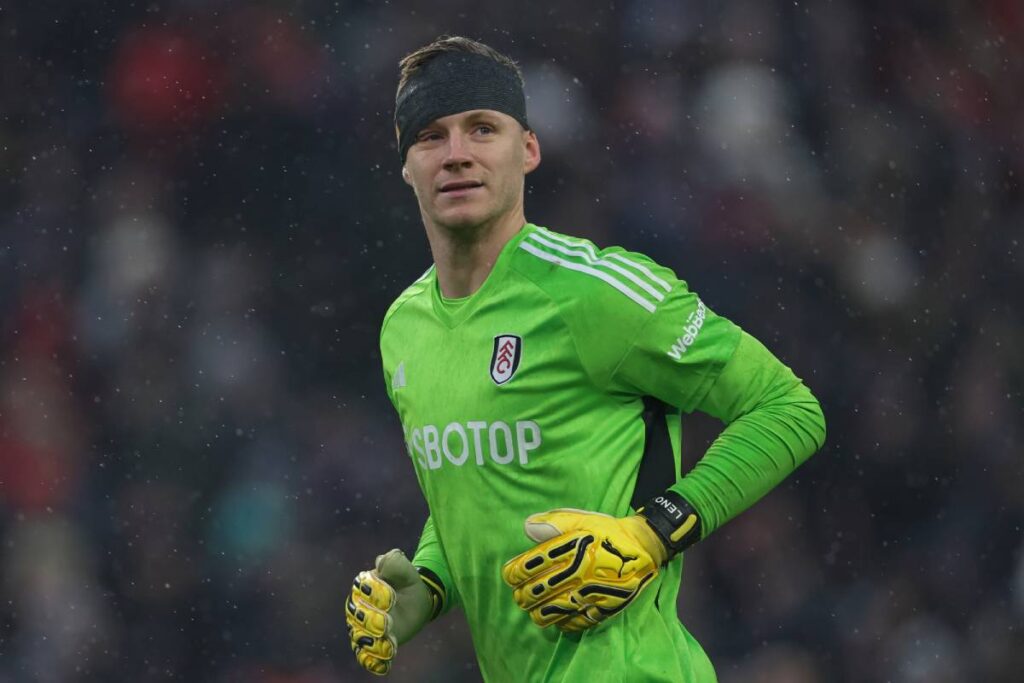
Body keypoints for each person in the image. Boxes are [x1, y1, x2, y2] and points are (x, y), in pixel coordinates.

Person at [345, 35, 826, 682]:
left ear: (529, 149)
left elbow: (789, 409)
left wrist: (652, 532)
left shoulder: (596, 291)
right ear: (405, 165)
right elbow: (480, 481)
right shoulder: (404, 328)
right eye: (431, 136)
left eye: (482, 129)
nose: (456, 154)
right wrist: (429, 583)